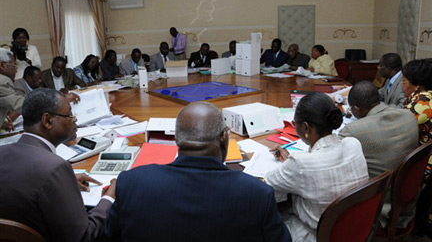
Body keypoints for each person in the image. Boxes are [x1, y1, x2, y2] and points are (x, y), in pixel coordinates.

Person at [104, 101, 291, 242]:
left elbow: (110, 236)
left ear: (177, 139)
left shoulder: (130, 183)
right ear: (224, 138)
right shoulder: (257, 193)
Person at [0, 88, 116, 242]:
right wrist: (109, 198)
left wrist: (63, 182)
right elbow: (84, 236)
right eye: (69, 115)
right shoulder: (54, 167)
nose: (75, 120)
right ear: (47, 121)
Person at [264, 92, 368, 242]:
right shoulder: (353, 144)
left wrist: (290, 165)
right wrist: (290, 164)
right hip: (353, 231)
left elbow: (266, 187)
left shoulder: (300, 164)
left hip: (315, 236)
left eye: (295, 125)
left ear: (306, 128)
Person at [339, 81, 418, 178]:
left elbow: (331, 158)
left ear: (356, 109)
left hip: (379, 190)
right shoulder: (409, 116)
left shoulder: (354, 130)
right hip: (408, 183)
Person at [401, 58, 432, 145]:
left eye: (404, 81)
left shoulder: (423, 100)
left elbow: (400, 127)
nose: (401, 85)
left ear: (417, 85)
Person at [0, 48, 24, 131]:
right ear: (2, 65)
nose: (16, 69)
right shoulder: (2, 81)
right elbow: (21, 105)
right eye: (14, 65)